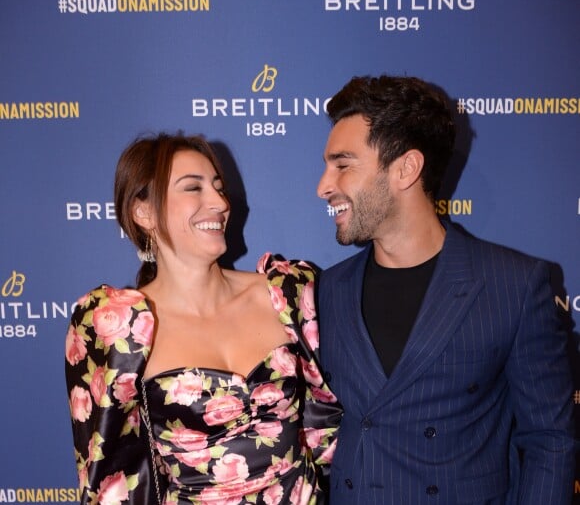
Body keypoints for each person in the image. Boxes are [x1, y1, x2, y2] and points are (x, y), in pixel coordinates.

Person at [316, 75, 575, 504]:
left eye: (343, 164)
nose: (324, 185)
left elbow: (550, 442)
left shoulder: (513, 285)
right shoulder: (327, 290)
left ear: (406, 168)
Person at [65, 132, 341, 504]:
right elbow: (106, 480)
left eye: (218, 187)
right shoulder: (118, 331)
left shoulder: (289, 292)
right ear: (143, 212)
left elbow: (333, 421)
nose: (218, 203)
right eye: (192, 188)